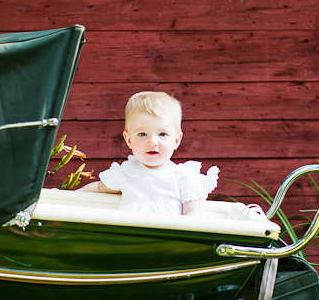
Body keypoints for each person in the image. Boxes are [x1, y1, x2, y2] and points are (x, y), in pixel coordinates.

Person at [80, 91, 219, 216]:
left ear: (176, 140)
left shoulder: (184, 178)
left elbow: (193, 213)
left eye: (162, 134)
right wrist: (64, 198)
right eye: (142, 134)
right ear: (129, 140)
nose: (152, 142)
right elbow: (98, 188)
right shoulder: (126, 174)